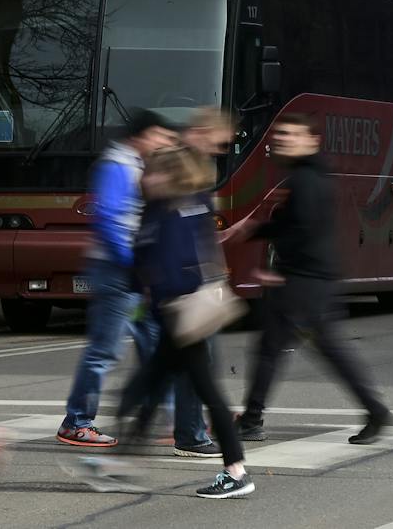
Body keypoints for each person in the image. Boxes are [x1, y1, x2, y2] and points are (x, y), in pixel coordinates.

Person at [224, 113, 392, 445]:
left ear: (312, 141)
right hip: (313, 279)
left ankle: (253, 418)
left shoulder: (305, 180)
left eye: (292, 134)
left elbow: (303, 230)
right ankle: (374, 411)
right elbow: (291, 224)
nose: (283, 139)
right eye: (281, 134)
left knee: (278, 349)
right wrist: (253, 229)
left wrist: (275, 271)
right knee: (301, 348)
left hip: (304, 281)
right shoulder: (307, 175)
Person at [113, 145, 254, 498]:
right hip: (176, 315)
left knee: (190, 388)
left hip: (185, 316)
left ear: (170, 176)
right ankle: (122, 461)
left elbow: (170, 267)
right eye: (147, 171)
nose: (147, 177)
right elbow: (141, 263)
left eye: (154, 171)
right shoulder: (173, 207)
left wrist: (155, 293)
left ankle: (235, 471)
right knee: (154, 382)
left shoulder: (175, 211)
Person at [56, 110, 176, 448]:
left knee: (156, 345)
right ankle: (76, 421)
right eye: (160, 136)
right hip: (116, 273)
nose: (164, 143)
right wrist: (133, 263)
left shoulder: (137, 165)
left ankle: (175, 420)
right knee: (104, 351)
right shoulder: (116, 165)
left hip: (135, 274)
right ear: (142, 136)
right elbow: (107, 220)